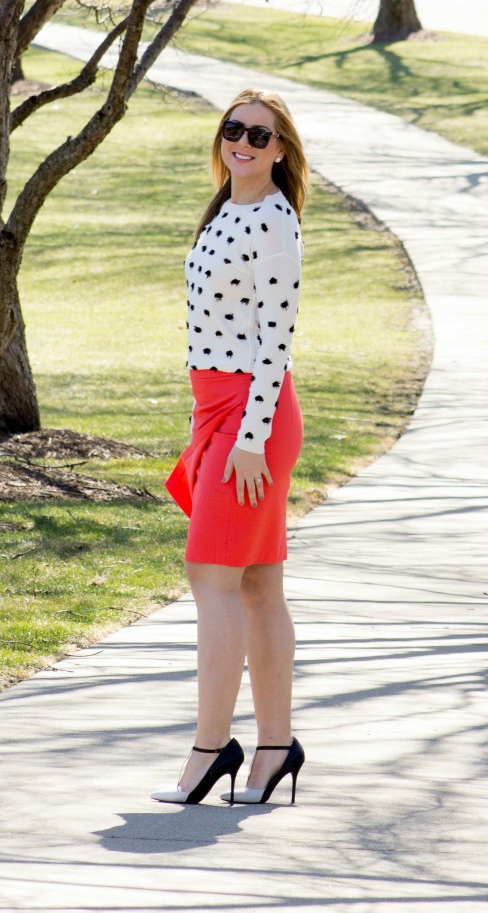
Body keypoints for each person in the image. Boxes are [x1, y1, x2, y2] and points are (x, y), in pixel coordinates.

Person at [151, 88, 308, 806]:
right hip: (221, 410)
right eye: (233, 129)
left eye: (258, 134)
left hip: (255, 419)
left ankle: (211, 751)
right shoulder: (227, 209)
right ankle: (275, 749)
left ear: (280, 150)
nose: (241, 141)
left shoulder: (274, 221)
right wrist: (203, 422)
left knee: (210, 578)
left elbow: (275, 343)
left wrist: (249, 438)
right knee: (255, 583)